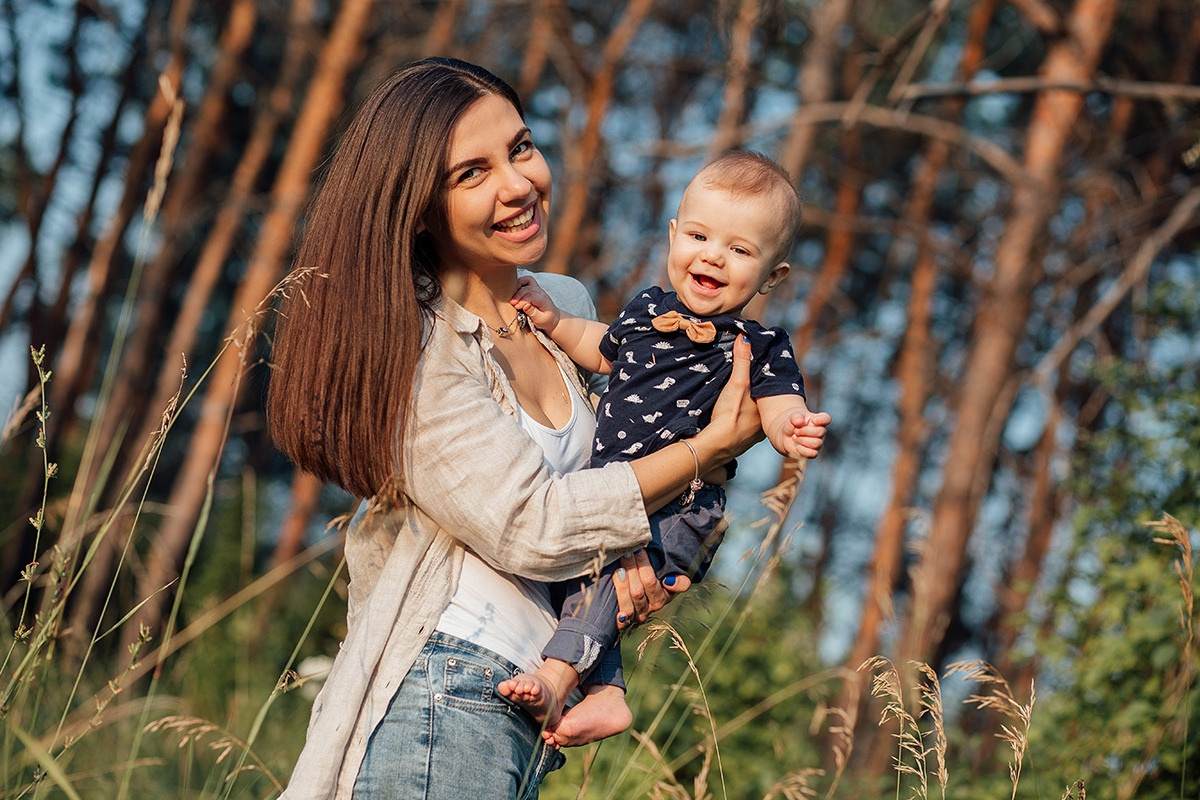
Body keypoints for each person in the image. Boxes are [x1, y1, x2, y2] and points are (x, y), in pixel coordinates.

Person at [266, 57, 770, 800]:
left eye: (521, 148)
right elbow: (534, 529)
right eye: (472, 173)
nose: (518, 184)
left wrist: (644, 565)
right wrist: (709, 448)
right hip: (444, 682)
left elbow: (627, 476)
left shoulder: (563, 306)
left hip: (533, 697)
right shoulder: (416, 347)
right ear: (418, 207)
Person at [500, 151, 831, 744]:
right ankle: (606, 694)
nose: (713, 255)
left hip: (681, 504)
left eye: (739, 249)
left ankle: (556, 676)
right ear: (674, 235)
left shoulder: (758, 344)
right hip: (616, 486)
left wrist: (791, 427)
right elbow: (602, 349)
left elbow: (777, 403)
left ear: (772, 276)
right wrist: (555, 321)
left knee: (601, 579)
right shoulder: (648, 309)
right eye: (699, 236)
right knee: (581, 577)